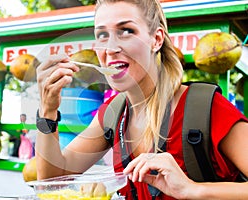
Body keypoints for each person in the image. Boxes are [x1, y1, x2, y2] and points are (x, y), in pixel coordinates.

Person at [35, 0, 248, 199]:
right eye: (102, 35)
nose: (110, 49)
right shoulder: (113, 115)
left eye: (126, 31)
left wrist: (192, 189)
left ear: (156, 39)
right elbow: (52, 181)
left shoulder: (206, 110)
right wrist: (47, 111)